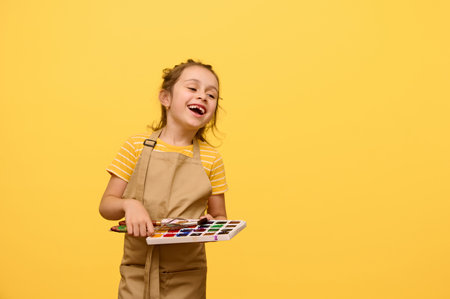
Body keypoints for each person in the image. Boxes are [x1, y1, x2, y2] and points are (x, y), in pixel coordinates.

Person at [99, 59, 228, 299]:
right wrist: (129, 204)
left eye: (211, 95)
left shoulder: (212, 158)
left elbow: (220, 216)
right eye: (192, 88)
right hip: (138, 272)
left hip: (188, 276)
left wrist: (210, 224)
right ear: (165, 98)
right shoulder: (135, 147)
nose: (202, 97)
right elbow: (106, 206)